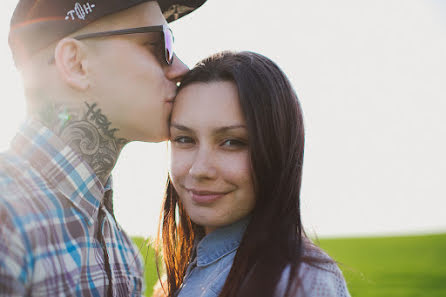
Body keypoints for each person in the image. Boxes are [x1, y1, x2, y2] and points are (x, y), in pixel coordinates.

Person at [0, 0, 207, 296]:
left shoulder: (123, 256)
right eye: (160, 45)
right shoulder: (7, 222)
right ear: (76, 63)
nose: (181, 69)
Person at [156, 51, 351, 297]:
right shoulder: (182, 275)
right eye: (184, 139)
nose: (200, 169)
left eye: (232, 142)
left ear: (276, 149)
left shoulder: (300, 280)